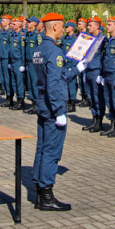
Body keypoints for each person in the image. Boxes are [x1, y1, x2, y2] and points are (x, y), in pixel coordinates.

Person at [32, 12, 86, 211]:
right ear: (54, 27)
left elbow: (58, 76)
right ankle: (46, 195)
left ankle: (39, 191)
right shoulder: (54, 52)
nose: (63, 30)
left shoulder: (40, 49)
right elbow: (54, 84)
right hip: (52, 107)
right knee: (51, 151)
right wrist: (59, 111)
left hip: (42, 103)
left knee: (42, 148)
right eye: (62, 26)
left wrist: (78, 69)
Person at [100, 17, 115, 138]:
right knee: (109, 100)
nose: (106, 26)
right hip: (107, 73)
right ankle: (112, 124)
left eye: (109, 24)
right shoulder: (108, 41)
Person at [82, 16, 106, 132]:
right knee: (91, 96)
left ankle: (99, 121)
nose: (88, 27)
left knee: (97, 97)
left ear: (97, 26)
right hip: (88, 69)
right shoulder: (88, 38)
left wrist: (101, 73)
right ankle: (94, 119)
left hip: (97, 70)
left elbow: (104, 57)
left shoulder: (102, 39)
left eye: (90, 25)